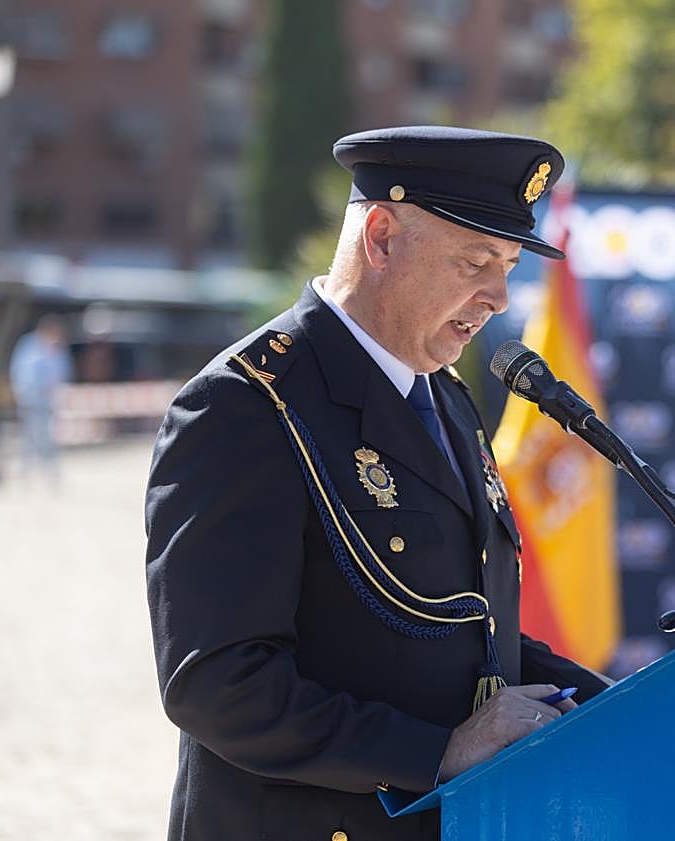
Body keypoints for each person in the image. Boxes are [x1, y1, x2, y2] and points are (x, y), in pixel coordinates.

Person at [145, 127, 612, 841]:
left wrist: (610, 707)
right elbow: (219, 684)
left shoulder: (445, 396)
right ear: (383, 236)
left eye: (510, 265)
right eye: (475, 261)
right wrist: (438, 751)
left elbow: (461, 623)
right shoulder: (244, 405)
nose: (496, 296)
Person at [9, 314, 73, 478]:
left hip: (48, 401)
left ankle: (50, 473)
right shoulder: (29, 347)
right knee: (28, 440)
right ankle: (26, 473)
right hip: (30, 400)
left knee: (48, 439)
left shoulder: (57, 348)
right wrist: (21, 394)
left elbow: (63, 372)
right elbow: (21, 372)